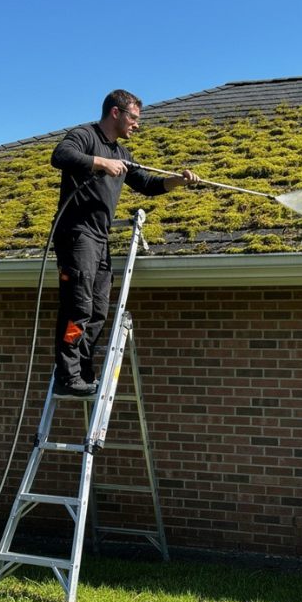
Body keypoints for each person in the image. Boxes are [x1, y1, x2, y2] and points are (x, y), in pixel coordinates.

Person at [49, 89, 200, 397]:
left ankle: (83, 368)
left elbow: (147, 184)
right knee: (78, 307)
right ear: (115, 113)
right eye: (133, 118)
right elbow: (60, 156)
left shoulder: (123, 155)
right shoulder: (85, 136)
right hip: (76, 235)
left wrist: (178, 181)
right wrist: (100, 163)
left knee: (99, 311)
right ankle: (67, 375)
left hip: (99, 239)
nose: (137, 125)